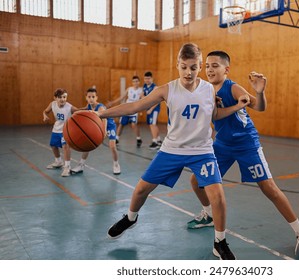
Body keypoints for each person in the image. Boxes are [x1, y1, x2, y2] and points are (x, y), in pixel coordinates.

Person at [98, 43, 250, 260]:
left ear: (199, 66)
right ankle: (131, 218)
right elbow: (134, 107)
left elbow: (214, 115)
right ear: (177, 65)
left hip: (202, 150)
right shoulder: (166, 89)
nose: (189, 72)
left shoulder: (209, 89)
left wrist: (236, 107)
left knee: (218, 197)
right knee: (141, 190)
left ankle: (220, 241)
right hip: (172, 150)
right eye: (184, 67)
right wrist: (102, 115)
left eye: (194, 67)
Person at [186, 50, 299, 260]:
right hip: (222, 144)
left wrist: (259, 92)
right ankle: (208, 214)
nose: (210, 69)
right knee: (196, 180)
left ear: (226, 69)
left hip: (246, 144)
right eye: (208, 66)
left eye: (215, 65)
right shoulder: (204, 89)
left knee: (269, 188)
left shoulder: (232, 87)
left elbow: (259, 106)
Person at [71, 88, 121, 175]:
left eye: (93, 97)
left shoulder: (100, 107)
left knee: (112, 146)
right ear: (86, 97)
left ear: (96, 98)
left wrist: (104, 130)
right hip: (97, 125)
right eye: (89, 97)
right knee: (88, 144)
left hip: (109, 125)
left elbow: (104, 118)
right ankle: (81, 165)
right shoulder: (89, 105)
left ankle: (116, 164)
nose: (91, 98)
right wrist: (76, 111)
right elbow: (84, 109)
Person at [43, 88, 78, 177]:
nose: (62, 99)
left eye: (64, 97)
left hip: (66, 130)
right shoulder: (52, 104)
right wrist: (45, 116)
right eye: (60, 97)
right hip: (56, 129)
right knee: (53, 145)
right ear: (55, 98)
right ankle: (58, 161)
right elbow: (45, 111)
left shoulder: (70, 107)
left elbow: (79, 112)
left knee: (65, 147)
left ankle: (67, 167)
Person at [108, 76, 144, 147]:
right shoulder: (129, 89)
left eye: (137, 81)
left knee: (133, 124)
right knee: (121, 124)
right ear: (132, 82)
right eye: (134, 81)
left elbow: (143, 99)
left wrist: (142, 108)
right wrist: (112, 102)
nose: (135, 83)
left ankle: (138, 138)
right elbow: (122, 97)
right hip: (127, 108)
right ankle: (117, 138)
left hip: (135, 108)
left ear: (139, 82)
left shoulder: (141, 90)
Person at [143, 71, 162, 149]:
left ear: (152, 79)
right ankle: (159, 140)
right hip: (149, 108)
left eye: (148, 78)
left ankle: (155, 142)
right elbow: (143, 96)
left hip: (154, 108)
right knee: (152, 124)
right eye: (146, 78)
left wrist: (151, 109)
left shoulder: (155, 87)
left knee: (152, 124)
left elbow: (158, 100)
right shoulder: (144, 86)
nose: (147, 80)